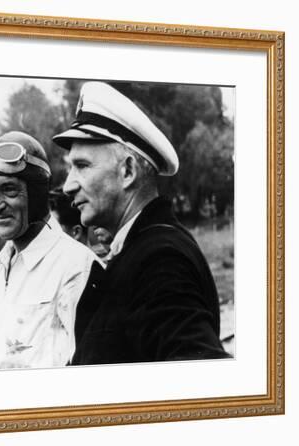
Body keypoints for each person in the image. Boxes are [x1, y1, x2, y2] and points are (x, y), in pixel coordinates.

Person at [53, 81, 230, 364]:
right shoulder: (137, 249)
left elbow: (201, 370)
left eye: (82, 166)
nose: (68, 185)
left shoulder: (161, 260)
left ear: (127, 171)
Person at [0, 131, 100, 371]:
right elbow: (15, 348)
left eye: (9, 190)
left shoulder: (77, 266)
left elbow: (92, 371)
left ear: (36, 196)